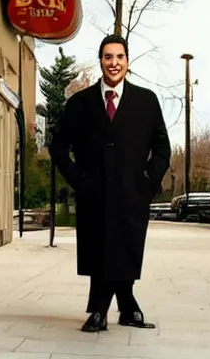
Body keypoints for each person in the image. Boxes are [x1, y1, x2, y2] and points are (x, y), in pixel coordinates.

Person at [50, 34, 171, 333]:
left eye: (119, 57)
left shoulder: (146, 101)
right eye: (108, 57)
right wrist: (79, 180)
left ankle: (111, 309)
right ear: (100, 60)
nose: (113, 63)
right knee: (101, 248)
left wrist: (147, 181)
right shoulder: (80, 103)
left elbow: (162, 148)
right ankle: (119, 308)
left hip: (132, 192)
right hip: (94, 192)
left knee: (124, 248)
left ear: (127, 61)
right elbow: (58, 147)